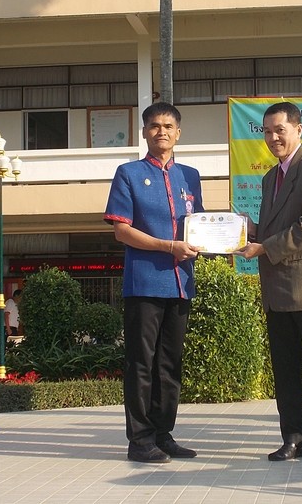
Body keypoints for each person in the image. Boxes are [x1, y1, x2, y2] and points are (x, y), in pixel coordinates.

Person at [236, 101, 302, 463]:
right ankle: (294, 438)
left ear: (299, 130)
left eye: (280, 130)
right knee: (285, 368)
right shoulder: (270, 177)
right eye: (267, 132)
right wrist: (248, 230)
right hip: (277, 286)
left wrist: (265, 246)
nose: (273, 138)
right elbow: (273, 229)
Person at [104, 102, 203, 464]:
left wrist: (229, 235)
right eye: (154, 126)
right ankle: (141, 439)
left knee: (170, 364)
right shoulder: (128, 173)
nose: (162, 131)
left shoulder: (190, 176)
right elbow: (121, 231)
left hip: (181, 283)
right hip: (144, 283)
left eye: (168, 126)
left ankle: (163, 434)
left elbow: (199, 225)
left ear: (179, 133)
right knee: (141, 363)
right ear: (145, 132)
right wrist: (168, 246)